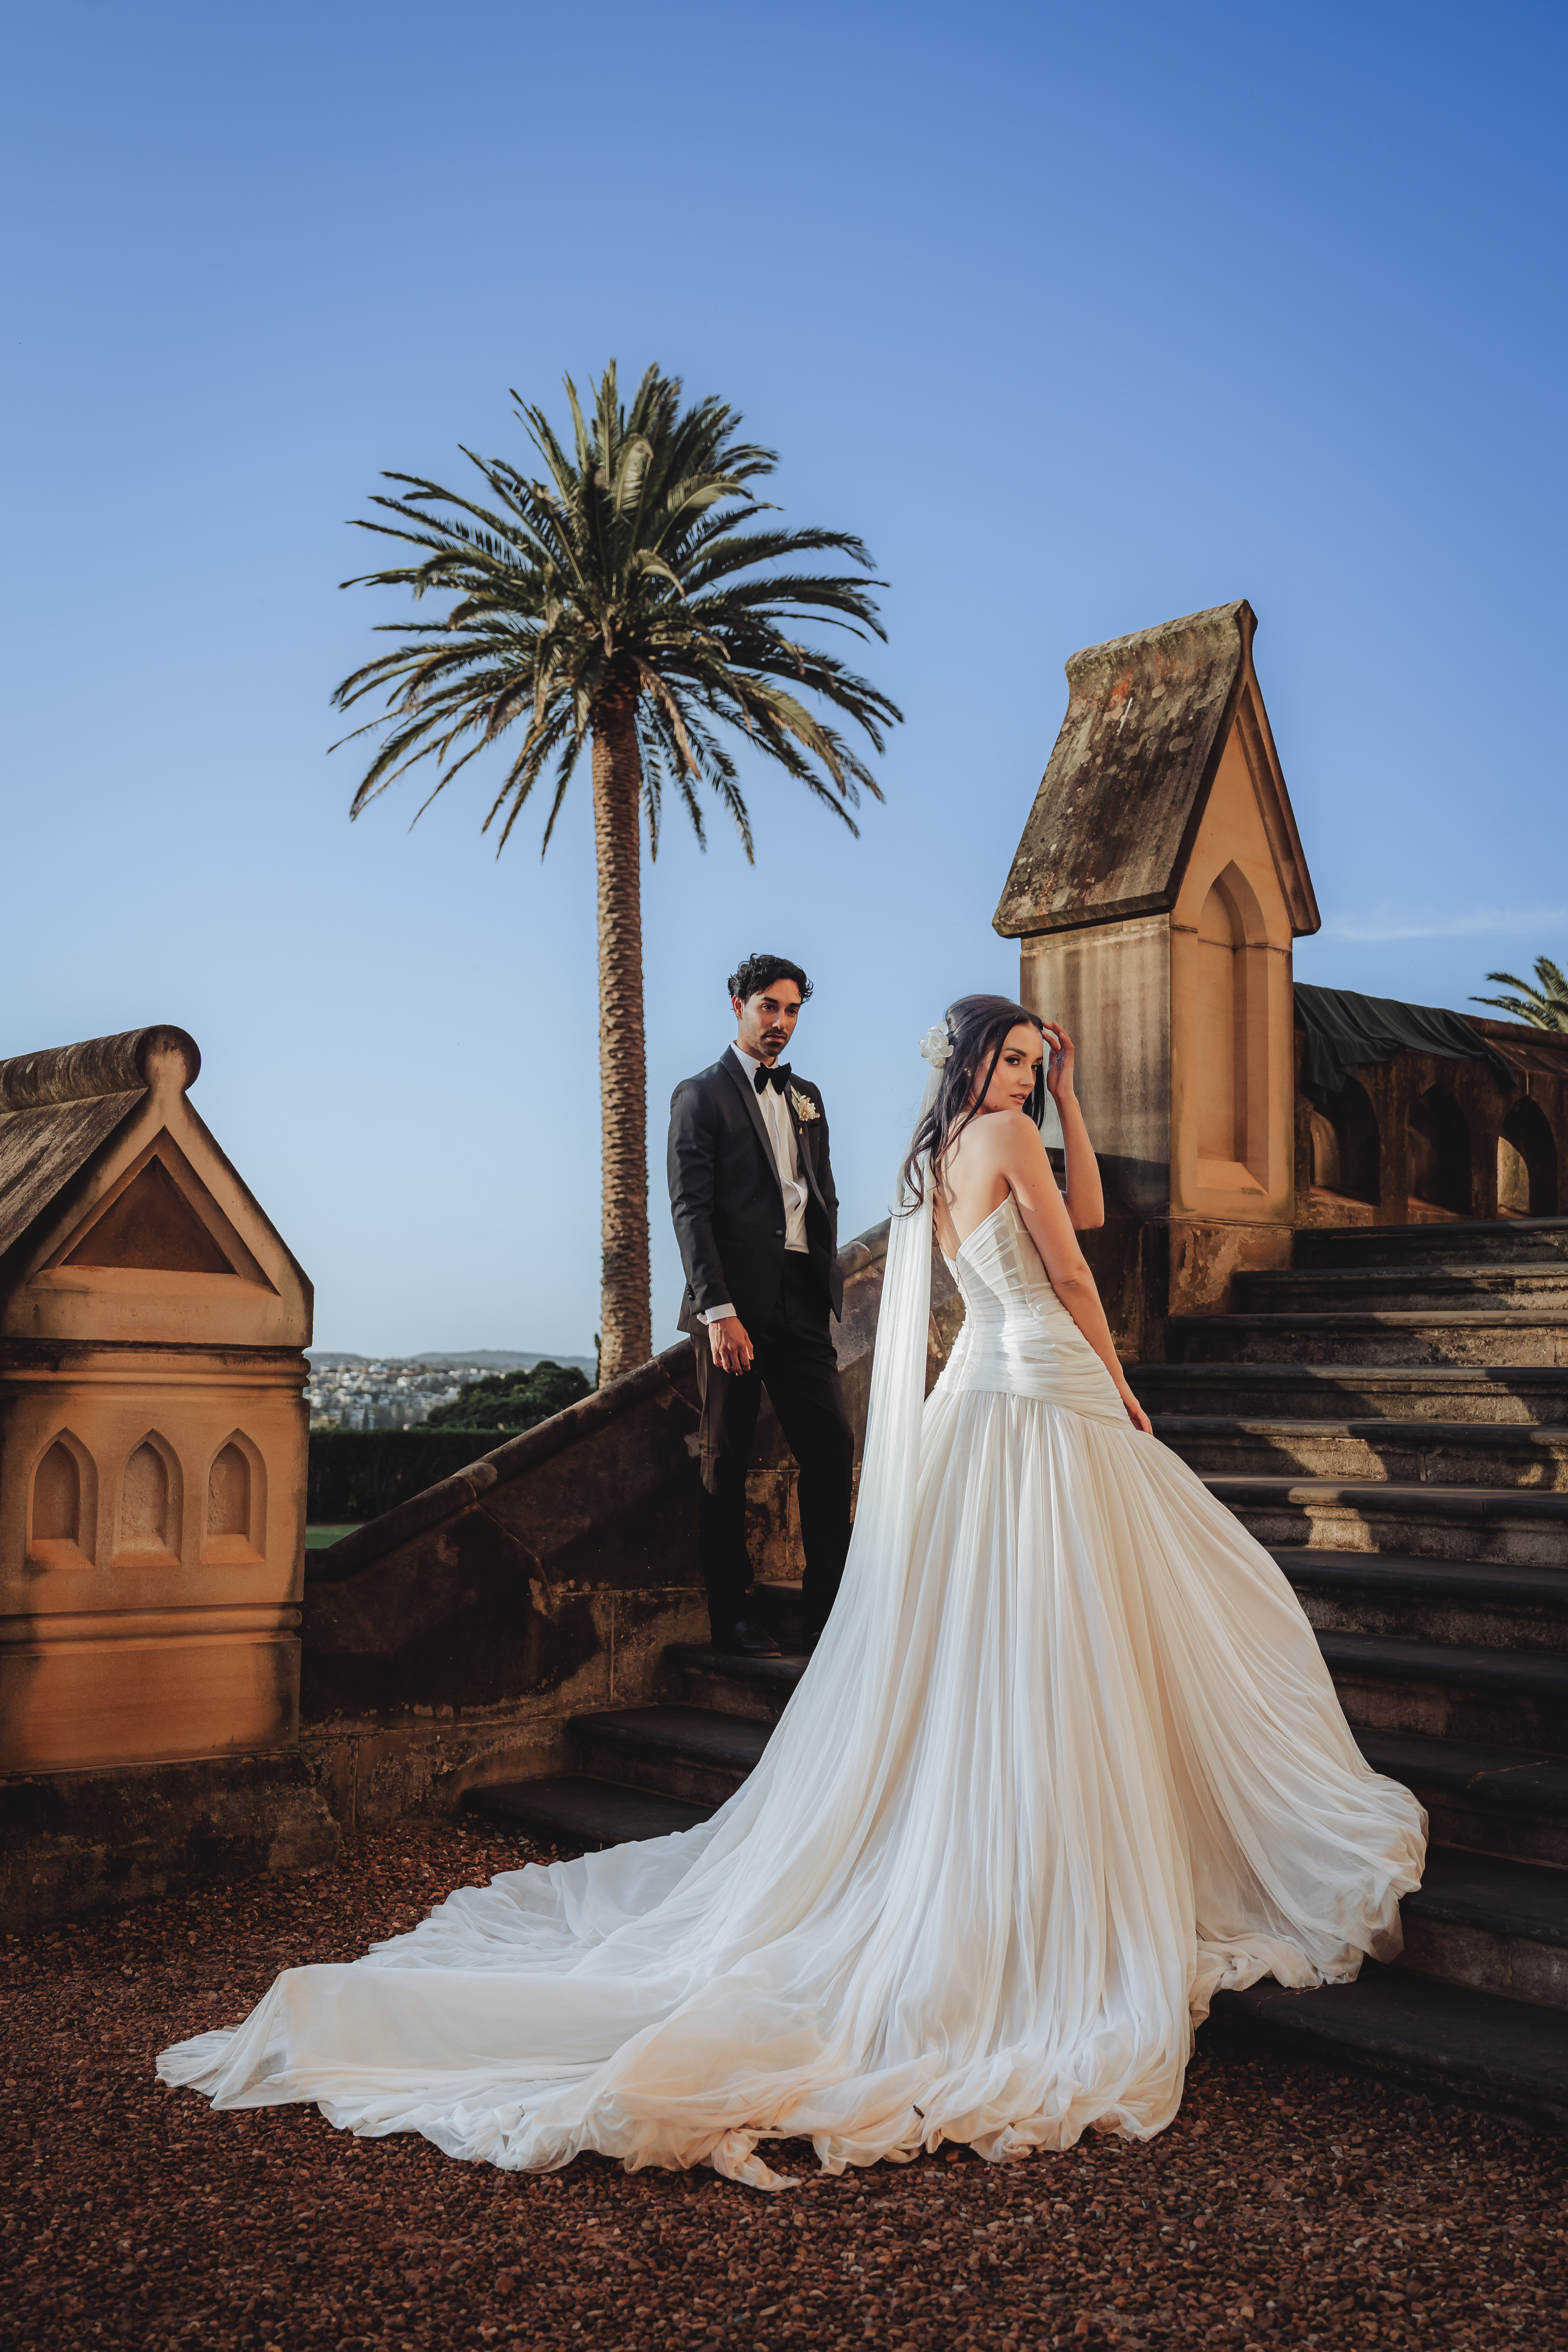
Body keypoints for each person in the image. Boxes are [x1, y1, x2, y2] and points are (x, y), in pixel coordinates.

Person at [159, 996, 1424, 2191]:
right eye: (1018, 1061)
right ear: (974, 1061)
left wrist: (1075, 1102)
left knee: (1044, 1621)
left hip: (986, 1388)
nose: (1029, 1081)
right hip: (1042, 1383)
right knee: (1137, 1596)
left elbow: (1083, 1207)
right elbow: (1079, 1273)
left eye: (1042, 1065)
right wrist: (1119, 1378)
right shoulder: (994, 1138)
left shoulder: (941, 1150)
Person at [667, 953, 852, 1656]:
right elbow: (691, 1208)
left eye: (793, 1009)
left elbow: (819, 1191)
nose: (781, 1022)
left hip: (804, 1300)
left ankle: (827, 1614)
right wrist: (719, 1312)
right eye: (768, 1007)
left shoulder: (808, 1095)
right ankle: (733, 1618)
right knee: (727, 1460)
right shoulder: (700, 1094)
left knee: (831, 1449)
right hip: (735, 1309)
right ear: (738, 1006)